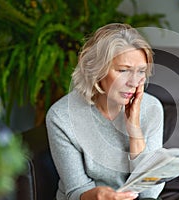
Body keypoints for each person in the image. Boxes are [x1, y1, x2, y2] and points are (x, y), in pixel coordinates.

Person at [46, 23, 164, 200]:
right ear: (96, 69)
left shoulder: (152, 108)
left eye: (141, 71)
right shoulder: (61, 117)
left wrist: (134, 130)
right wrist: (100, 195)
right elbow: (75, 190)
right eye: (123, 70)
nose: (134, 82)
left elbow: (150, 193)